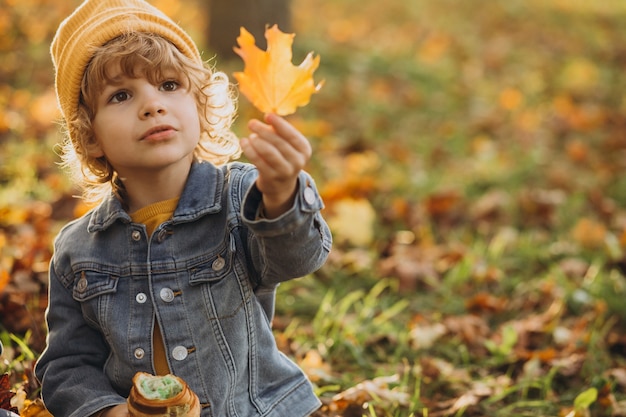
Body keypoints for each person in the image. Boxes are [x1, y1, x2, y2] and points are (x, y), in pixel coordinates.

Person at [34, 0, 332, 416]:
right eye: (121, 95)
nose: (152, 104)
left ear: (200, 104)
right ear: (90, 137)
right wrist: (112, 412)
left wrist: (282, 193)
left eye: (169, 85)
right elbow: (67, 366)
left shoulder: (241, 196)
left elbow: (297, 258)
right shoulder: (77, 251)